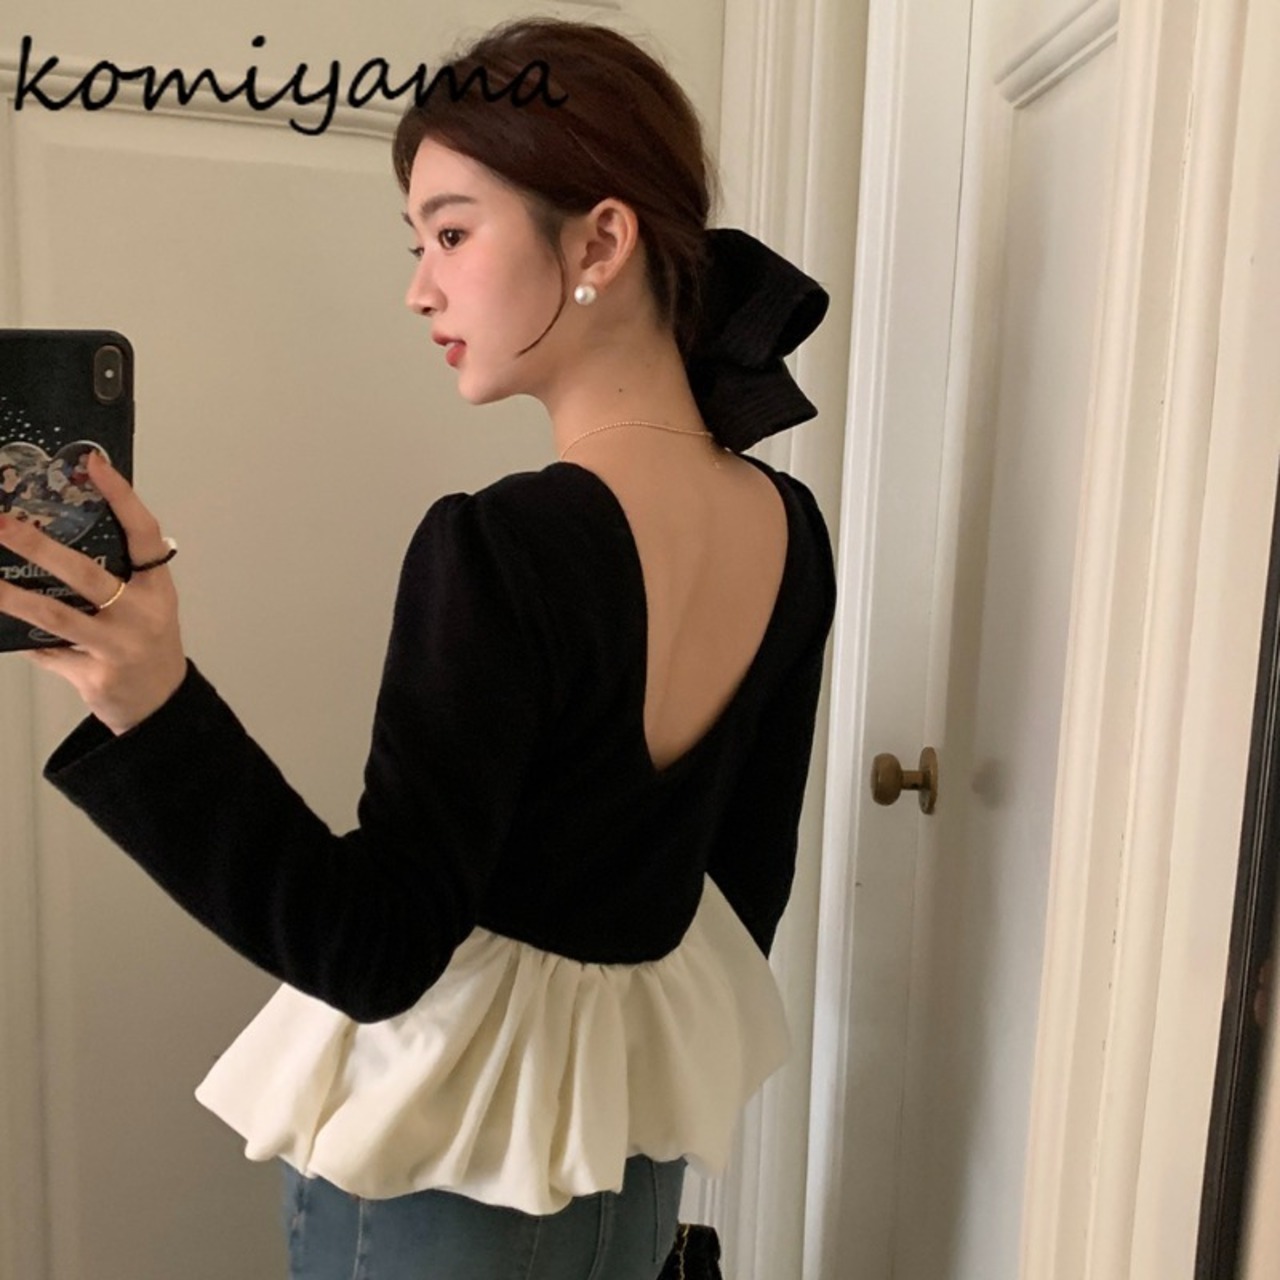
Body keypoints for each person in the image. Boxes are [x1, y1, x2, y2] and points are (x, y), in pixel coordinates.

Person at [0, 17, 837, 1280]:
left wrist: (153, 700)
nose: (419, 288)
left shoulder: (505, 544)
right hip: (622, 1174)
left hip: (443, 1177)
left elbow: (374, 949)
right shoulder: (789, 526)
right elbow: (739, 899)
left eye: (450, 233)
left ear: (600, 240)